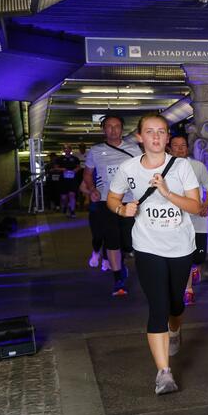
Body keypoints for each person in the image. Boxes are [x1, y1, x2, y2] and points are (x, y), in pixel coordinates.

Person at [107, 114, 200, 395]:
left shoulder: (182, 166)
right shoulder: (128, 168)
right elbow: (112, 198)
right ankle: (164, 373)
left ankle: (175, 329)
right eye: (150, 132)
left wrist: (168, 193)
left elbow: (195, 207)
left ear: (167, 136)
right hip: (147, 246)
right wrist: (122, 209)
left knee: (175, 305)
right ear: (140, 137)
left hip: (180, 246)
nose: (156, 137)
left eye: (161, 132)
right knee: (158, 307)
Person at [83, 115, 142, 296]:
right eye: (109, 126)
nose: (113, 130)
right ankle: (118, 279)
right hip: (106, 201)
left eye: (116, 126)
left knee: (128, 241)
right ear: (103, 130)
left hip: (129, 201)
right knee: (112, 239)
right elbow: (87, 174)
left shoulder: (134, 149)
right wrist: (92, 189)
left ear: (122, 129)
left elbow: (143, 171)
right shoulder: (95, 151)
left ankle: (122, 260)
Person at [169, 135, 208, 305]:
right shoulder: (165, 167)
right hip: (176, 222)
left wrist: (206, 204)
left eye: (183, 145)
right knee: (184, 255)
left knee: (198, 259)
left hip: (198, 221)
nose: (180, 149)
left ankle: (195, 270)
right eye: (176, 145)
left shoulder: (197, 166)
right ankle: (188, 290)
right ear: (169, 148)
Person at [56, 145, 81, 218]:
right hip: (63, 180)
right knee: (64, 197)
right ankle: (64, 206)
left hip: (72, 179)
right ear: (63, 150)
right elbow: (56, 168)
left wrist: (76, 170)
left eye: (68, 148)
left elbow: (79, 167)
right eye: (65, 149)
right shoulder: (59, 159)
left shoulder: (75, 158)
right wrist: (62, 169)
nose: (67, 150)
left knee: (72, 195)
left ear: (70, 150)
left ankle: (72, 211)